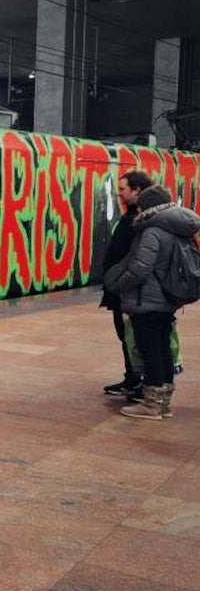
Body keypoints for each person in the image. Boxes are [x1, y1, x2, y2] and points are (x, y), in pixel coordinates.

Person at [104, 184, 200, 420]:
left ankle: (151, 405)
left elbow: (140, 268)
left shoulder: (152, 231)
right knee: (163, 348)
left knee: (150, 351)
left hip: (147, 300)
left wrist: (120, 284)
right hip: (166, 299)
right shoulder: (177, 228)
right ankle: (163, 402)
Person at [100, 170, 152, 397]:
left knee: (137, 339)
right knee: (127, 337)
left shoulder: (140, 221)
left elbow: (138, 260)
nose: (119, 194)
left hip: (129, 291)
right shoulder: (133, 217)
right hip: (121, 290)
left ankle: (144, 383)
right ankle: (133, 378)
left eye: (122, 189)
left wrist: (122, 284)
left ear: (137, 190)